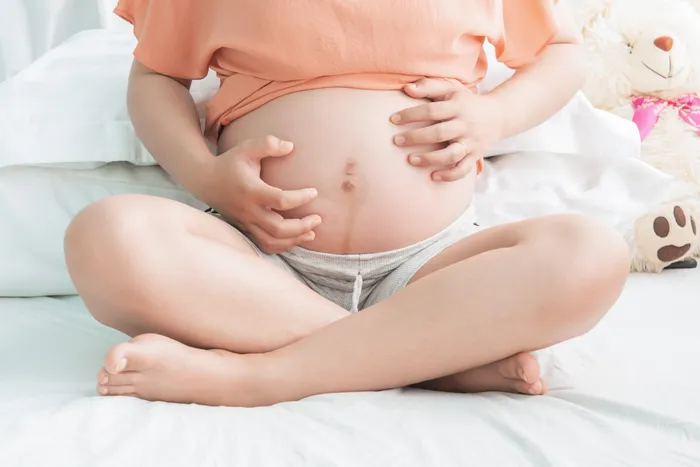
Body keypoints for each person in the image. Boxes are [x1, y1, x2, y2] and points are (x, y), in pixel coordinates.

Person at [64, 0, 630, 407]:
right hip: (257, 262)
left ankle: (263, 378)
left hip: (433, 266)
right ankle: (428, 358)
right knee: (104, 237)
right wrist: (204, 174)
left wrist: (494, 116)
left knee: (591, 254)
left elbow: (562, 52)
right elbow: (156, 77)